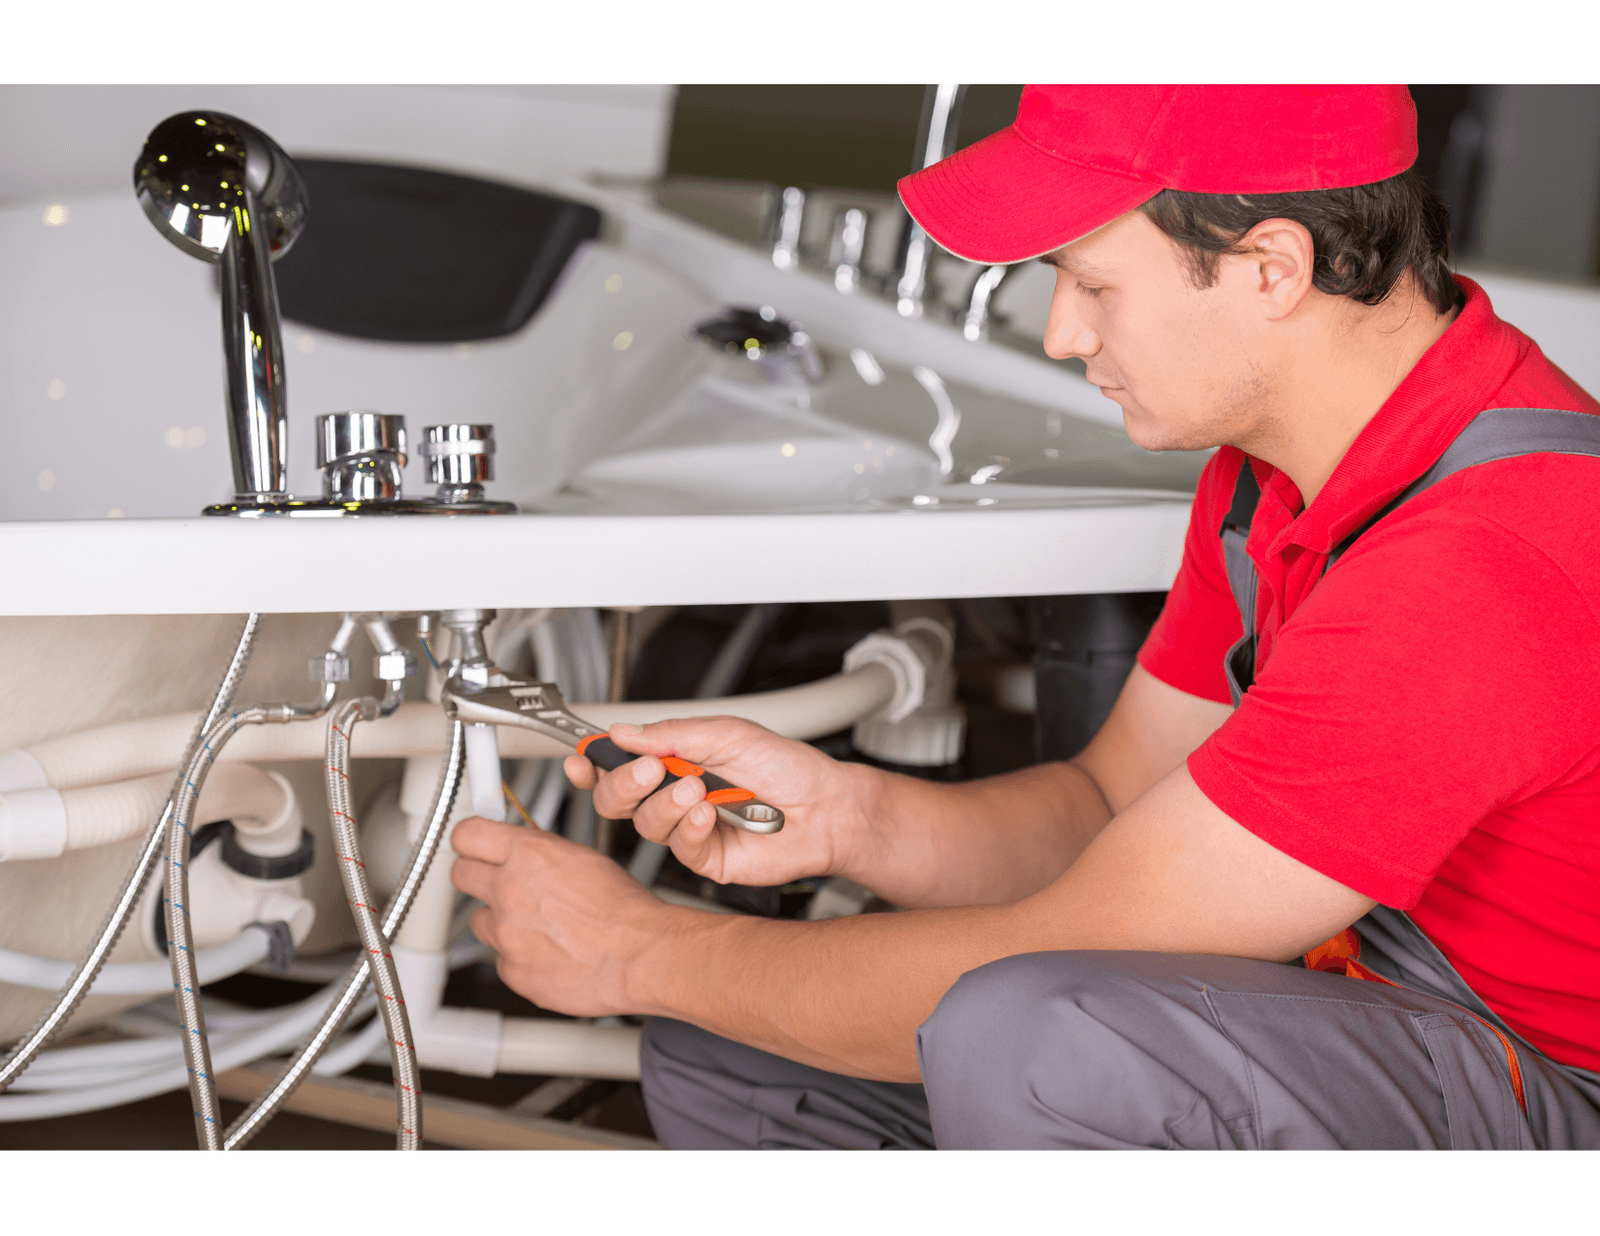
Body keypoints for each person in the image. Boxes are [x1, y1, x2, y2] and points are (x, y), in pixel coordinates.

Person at [449, 85, 1600, 1149]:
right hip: (1381, 1008)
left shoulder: (1483, 555)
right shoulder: (1272, 474)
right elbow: (1109, 804)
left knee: (1044, 1043)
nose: (1062, 334)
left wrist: (642, 950)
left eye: (1093, 284)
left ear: (1271, 268)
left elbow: (1082, 940)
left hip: (1553, 1089)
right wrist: (855, 818)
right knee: (741, 1047)